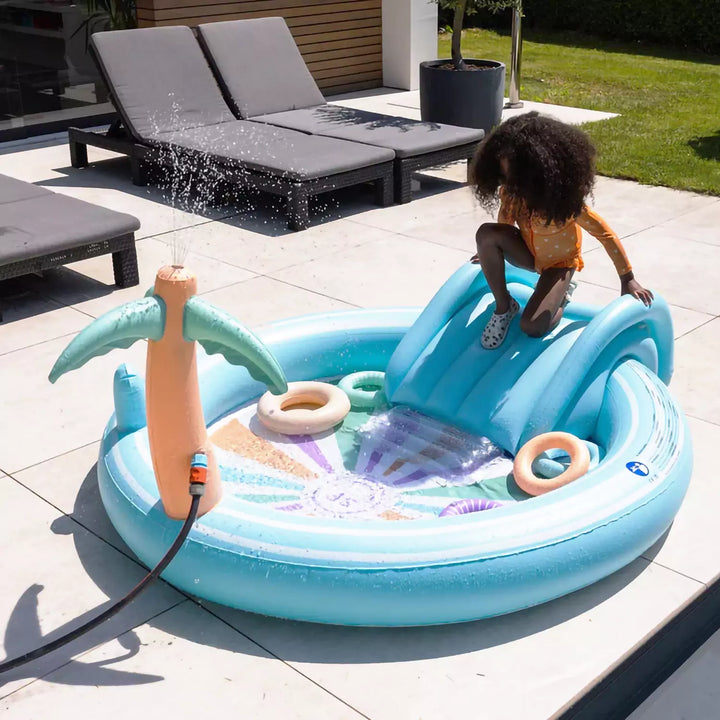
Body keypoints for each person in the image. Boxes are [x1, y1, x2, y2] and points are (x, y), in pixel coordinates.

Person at [468, 112, 653, 350]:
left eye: (514, 178)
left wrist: (627, 278)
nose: (508, 184)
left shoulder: (564, 204)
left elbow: (604, 234)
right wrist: (490, 250)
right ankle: (504, 307)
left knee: (532, 326)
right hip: (529, 253)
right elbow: (504, 223)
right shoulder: (513, 194)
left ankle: (561, 296)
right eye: (504, 177)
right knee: (486, 234)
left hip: (559, 264)